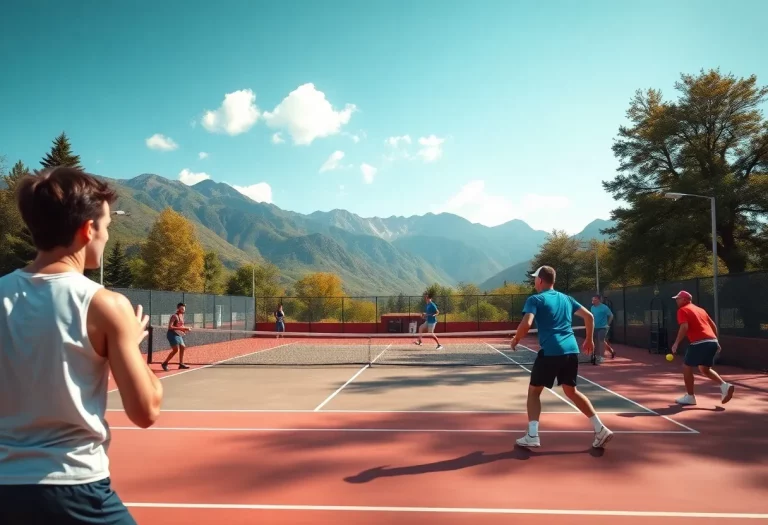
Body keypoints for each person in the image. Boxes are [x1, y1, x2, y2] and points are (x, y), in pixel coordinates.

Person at [0, 166, 164, 524]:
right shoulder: (107, 305)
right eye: (106, 227)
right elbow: (146, 411)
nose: (105, 237)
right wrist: (129, 343)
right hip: (75, 489)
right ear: (88, 230)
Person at [510, 266, 613, 449]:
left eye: (535, 279)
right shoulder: (567, 298)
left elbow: (526, 324)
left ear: (540, 280)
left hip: (551, 351)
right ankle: (600, 428)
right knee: (571, 391)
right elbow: (589, 317)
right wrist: (589, 340)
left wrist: (516, 339)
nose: (535, 281)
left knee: (534, 392)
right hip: (571, 351)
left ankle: (532, 434)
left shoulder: (535, 299)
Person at [670, 291, 735, 405]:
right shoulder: (700, 310)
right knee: (704, 369)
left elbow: (684, 326)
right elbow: (712, 325)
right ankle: (725, 386)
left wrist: (676, 343)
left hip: (699, 343)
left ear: (685, 300)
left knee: (686, 367)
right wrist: (716, 341)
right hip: (712, 342)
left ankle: (690, 397)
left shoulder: (682, 310)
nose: (676, 301)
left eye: (678, 298)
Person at [161, 302, 190, 371]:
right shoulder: (174, 316)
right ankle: (165, 363)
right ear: (178, 308)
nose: (183, 308)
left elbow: (180, 326)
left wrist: (185, 329)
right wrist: (183, 329)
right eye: (182, 307)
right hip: (171, 334)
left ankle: (181, 364)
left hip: (178, 334)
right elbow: (170, 327)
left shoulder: (182, 316)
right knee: (175, 350)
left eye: (184, 307)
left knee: (183, 347)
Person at [590, 295, 615, 363]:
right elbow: (592, 317)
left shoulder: (604, 307)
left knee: (600, 341)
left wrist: (607, 324)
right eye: (592, 300)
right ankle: (611, 351)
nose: (593, 301)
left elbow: (611, 315)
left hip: (603, 327)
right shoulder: (592, 307)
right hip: (594, 327)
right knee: (598, 341)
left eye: (594, 300)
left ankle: (601, 357)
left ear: (598, 300)